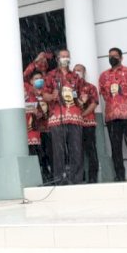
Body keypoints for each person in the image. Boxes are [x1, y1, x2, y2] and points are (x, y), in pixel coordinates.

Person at [99, 48, 127, 182]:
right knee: (115, 148)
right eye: (110, 56)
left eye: (115, 56)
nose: (112, 58)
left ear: (121, 58)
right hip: (112, 116)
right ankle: (120, 177)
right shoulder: (103, 76)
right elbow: (104, 94)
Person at [42, 48, 86, 185]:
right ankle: (59, 179)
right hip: (57, 117)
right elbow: (44, 95)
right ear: (57, 59)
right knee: (58, 151)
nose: (65, 59)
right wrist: (51, 96)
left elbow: (81, 95)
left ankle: (76, 179)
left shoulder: (76, 77)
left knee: (76, 149)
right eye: (63, 57)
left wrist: (81, 100)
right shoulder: (51, 76)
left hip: (74, 116)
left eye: (67, 57)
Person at [73, 64, 99, 184]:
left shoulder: (90, 87)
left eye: (79, 70)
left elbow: (94, 103)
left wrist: (82, 115)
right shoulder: (70, 89)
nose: (77, 72)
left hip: (88, 123)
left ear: (84, 72)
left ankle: (93, 177)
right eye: (75, 70)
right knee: (77, 151)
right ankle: (79, 177)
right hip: (74, 125)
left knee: (91, 150)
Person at [24, 70, 49, 181]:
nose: (39, 81)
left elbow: (41, 112)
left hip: (46, 129)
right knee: (34, 154)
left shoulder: (47, 92)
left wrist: (39, 113)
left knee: (45, 154)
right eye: (35, 79)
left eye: (40, 78)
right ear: (30, 82)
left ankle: (46, 175)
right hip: (31, 130)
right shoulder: (28, 95)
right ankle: (36, 177)